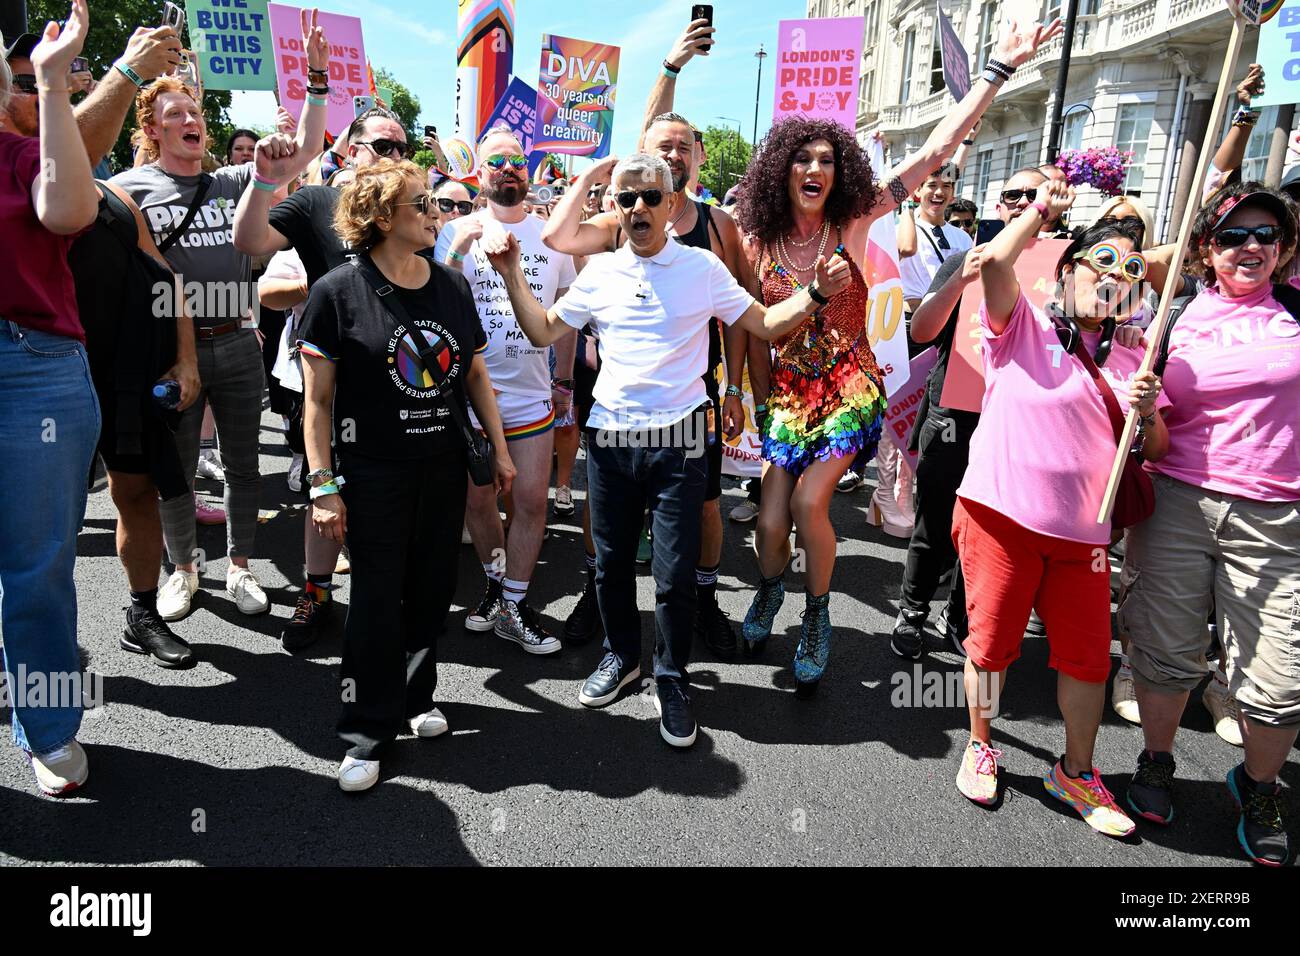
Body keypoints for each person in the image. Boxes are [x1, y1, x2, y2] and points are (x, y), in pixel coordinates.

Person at [734, 17, 1064, 696]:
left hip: (851, 384)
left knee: (807, 507)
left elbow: (938, 150)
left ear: (840, 173)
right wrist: (756, 394)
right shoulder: (756, 241)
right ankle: (770, 592)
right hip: (790, 394)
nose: (816, 169)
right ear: (782, 170)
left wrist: (998, 70)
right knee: (768, 522)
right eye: (804, 159)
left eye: (827, 160)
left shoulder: (853, 221)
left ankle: (817, 618)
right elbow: (755, 328)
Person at [484, 153, 852, 748]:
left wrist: (813, 294)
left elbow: (762, 323)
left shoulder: (702, 268)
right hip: (609, 441)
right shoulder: (599, 273)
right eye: (625, 198)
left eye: (650, 198)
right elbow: (544, 330)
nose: (637, 209)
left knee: (675, 573)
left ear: (673, 205)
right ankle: (621, 657)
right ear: (614, 207)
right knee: (608, 565)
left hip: (680, 440)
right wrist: (510, 274)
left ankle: (671, 677)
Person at [541, 17, 766, 658]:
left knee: (704, 510)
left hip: (692, 395)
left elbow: (748, 320)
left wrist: (738, 392)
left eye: (681, 148)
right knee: (605, 510)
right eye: (659, 146)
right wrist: (669, 69)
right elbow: (559, 238)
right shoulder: (625, 217)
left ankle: (702, 597)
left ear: (696, 159)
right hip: (613, 389)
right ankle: (597, 588)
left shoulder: (719, 229)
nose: (669, 155)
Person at [950, 181, 1163, 838]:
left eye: (1130, 271)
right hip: (1000, 519)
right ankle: (982, 742)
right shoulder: (1021, 323)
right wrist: (1044, 211)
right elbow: (991, 263)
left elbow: (1155, 447)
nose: (1116, 278)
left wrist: (1149, 411)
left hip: (1086, 536)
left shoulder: (1136, 350)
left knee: (1088, 660)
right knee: (990, 649)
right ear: (1067, 270)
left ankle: (1076, 770)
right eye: (1102, 263)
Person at [297, 159, 515, 792]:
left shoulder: (450, 285)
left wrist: (498, 451)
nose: (436, 213)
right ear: (380, 217)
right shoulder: (336, 291)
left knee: (430, 587)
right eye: (422, 205)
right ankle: (366, 730)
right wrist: (322, 482)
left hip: (442, 464)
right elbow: (318, 402)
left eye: (435, 204)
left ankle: (417, 698)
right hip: (372, 471)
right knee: (373, 597)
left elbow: (474, 374)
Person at [111, 10, 328, 625]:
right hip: (171, 353)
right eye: (174, 114)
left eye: (195, 113)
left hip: (237, 341)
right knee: (177, 470)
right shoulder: (129, 188)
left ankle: (238, 566)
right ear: (152, 129)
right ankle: (184, 570)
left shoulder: (238, 180)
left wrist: (315, 79)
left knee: (240, 463)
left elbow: (308, 148)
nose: (190, 120)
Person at [1120, 182, 1300, 867]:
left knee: (1279, 676)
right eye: (1232, 235)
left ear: (1282, 251)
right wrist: (1144, 405)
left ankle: (1260, 788)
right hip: (1177, 504)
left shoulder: (1297, 314)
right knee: (1163, 652)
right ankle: (1157, 761)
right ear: (1207, 249)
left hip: (1277, 517)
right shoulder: (1174, 315)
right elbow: (1079, 301)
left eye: (1264, 236)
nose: (1249, 246)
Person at [233, 104, 409, 650]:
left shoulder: (412, 207)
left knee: (393, 497)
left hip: (404, 378)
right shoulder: (317, 201)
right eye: (382, 145)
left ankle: (388, 603)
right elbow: (251, 243)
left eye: (402, 148)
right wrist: (265, 180)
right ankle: (316, 593)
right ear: (351, 149)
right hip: (330, 378)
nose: (394, 157)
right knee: (324, 487)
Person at [0, 1, 102, 796]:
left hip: (36, 365)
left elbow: (69, 209)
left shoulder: (26, 148)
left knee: (40, 570)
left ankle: (50, 725)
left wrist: (52, 82)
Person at [888, 166, 1049, 661]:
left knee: (991, 525)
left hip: (1020, 420)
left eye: (1033, 194)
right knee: (935, 521)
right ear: (998, 206)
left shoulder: (1060, 268)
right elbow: (921, 332)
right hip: (955, 409)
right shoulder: (964, 258)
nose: (1021, 202)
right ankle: (912, 611)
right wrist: (959, 278)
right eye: (1012, 194)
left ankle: (959, 616)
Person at [443, 127, 578, 655]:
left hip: (533, 394)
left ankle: (515, 606)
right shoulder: (458, 230)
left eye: (518, 160)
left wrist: (563, 381)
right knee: (479, 501)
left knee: (530, 500)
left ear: (529, 171)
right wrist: (456, 251)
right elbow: (435, 301)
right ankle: (497, 585)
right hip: (473, 396)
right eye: (496, 160)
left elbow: (565, 319)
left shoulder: (552, 236)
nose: (509, 168)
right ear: (480, 173)